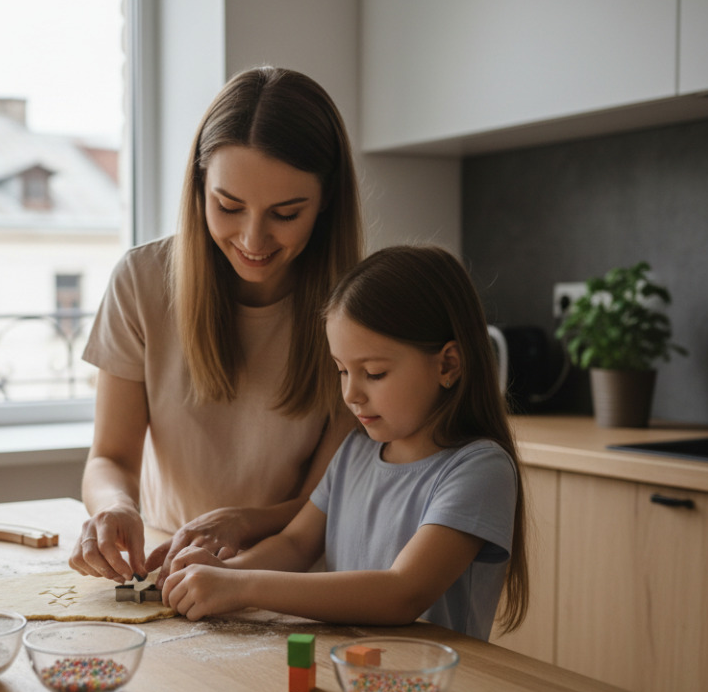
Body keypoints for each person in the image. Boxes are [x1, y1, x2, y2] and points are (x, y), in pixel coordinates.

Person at [70, 66, 363, 584]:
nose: (254, 239)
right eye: (228, 206)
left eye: (286, 214)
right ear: (200, 187)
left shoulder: (357, 306)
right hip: (161, 568)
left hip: (292, 581)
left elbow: (320, 504)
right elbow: (110, 457)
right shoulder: (141, 281)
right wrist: (114, 507)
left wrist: (243, 529)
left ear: (327, 202)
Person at [160, 245, 529, 640]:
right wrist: (224, 573)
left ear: (447, 365)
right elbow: (296, 543)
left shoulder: (479, 469)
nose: (351, 394)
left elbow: (403, 592)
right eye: (341, 370)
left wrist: (243, 587)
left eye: (373, 372)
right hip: (349, 669)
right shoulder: (355, 451)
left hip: (432, 689)